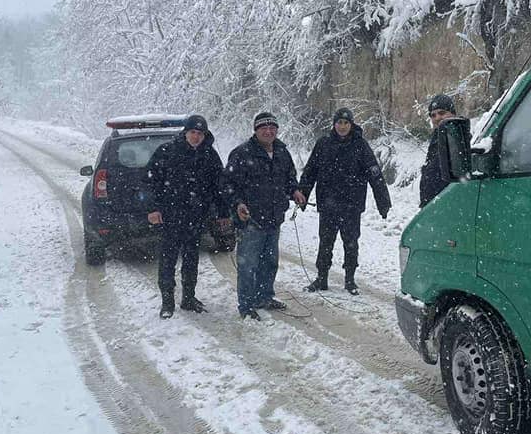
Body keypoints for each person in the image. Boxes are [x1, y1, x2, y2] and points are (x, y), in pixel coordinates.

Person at [299, 108, 391, 295]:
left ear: (351, 125)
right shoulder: (323, 144)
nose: (342, 126)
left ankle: (350, 280)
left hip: (351, 206)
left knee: (351, 243)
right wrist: (303, 194)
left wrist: (383, 202)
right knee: (325, 242)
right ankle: (321, 278)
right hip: (327, 205)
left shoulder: (360, 146)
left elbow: (375, 174)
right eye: (339, 123)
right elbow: (310, 171)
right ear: (334, 124)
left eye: (346, 123)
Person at [225, 112, 306, 320]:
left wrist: (294, 191)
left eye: (272, 128)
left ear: (277, 130)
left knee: (269, 262)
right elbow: (229, 185)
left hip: (274, 217)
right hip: (251, 220)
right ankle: (246, 305)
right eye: (263, 128)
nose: (268, 131)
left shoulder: (282, 151)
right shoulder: (242, 153)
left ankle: (264, 297)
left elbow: (289, 178)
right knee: (248, 264)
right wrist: (239, 204)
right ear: (256, 130)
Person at [147, 114, 229, 318]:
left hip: (196, 217)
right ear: (185, 132)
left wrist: (222, 213)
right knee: (167, 260)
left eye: (200, 133)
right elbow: (151, 182)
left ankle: (188, 298)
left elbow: (219, 187)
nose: (196, 137)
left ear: (204, 135)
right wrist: (153, 208)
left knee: (191, 259)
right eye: (193, 132)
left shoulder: (210, 156)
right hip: (171, 216)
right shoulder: (166, 152)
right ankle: (167, 302)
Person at [419, 94, 457, 208]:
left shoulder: (458, 136)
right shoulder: (437, 138)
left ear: (453, 113)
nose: (437, 118)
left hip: (448, 204)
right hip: (433, 204)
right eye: (433, 115)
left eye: (442, 113)